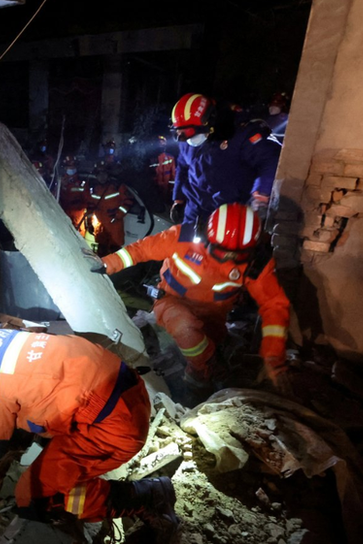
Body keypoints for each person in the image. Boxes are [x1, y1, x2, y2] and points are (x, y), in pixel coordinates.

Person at [0, 309, 179, 544]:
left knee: (34, 494)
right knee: (37, 423)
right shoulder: (5, 336)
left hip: (115, 426)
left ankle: (149, 497)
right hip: (127, 391)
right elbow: (23, 386)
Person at [97, 203, 291, 403]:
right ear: (207, 235)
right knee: (186, 330)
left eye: (237, 255)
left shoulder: (256, 262)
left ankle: (198, 381)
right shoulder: (184, 237)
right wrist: (107, 263)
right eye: (222, 251)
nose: (229, 258)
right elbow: (141, 250)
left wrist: (273, 357)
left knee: (201, 351)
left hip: (214, 317)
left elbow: (274, 305)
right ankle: (208, 372)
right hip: (171, 303)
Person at [169, 93, 281, 225]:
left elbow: (269, 160)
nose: (189, 140)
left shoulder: (240, 134)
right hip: (193, 213)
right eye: (182, 134)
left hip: (230, 215)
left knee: (221, 246)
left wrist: (261, 194)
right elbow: (182, 166)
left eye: (191, 133)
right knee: (185, 245)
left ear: (210, 121)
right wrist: (178, 199)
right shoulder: (186, 140)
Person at [86, 162, 135, 256]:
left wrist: (118, 215)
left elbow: (128, 201)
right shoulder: (94, 188)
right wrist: (89, 222)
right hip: (100, 225)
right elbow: (91, 205)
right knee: (101, 251)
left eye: (104, 174)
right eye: (99, 174)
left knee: (115, 251)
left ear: (108, 174)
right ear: (96, 176)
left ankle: (116, 270)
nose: (102, 177)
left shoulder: (117, 186)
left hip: (114, 224)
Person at [57, 155, 89, 236]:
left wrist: (82, 209)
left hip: (78, 212)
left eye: (72, 167)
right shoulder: (60, 181)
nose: (71, 169)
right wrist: (61, 185)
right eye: (69, 167)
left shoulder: (82, 183)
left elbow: (87, 199)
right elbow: (55, 196)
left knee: (78, 234)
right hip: (63, 211)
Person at [151, 135, 177, 205]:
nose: (161, 144)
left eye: (163, 142)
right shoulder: (152, 157)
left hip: (166, 187)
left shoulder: (170, 157)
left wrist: (172, 187)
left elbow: (173, 174)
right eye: (159, 142)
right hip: (155, 187)